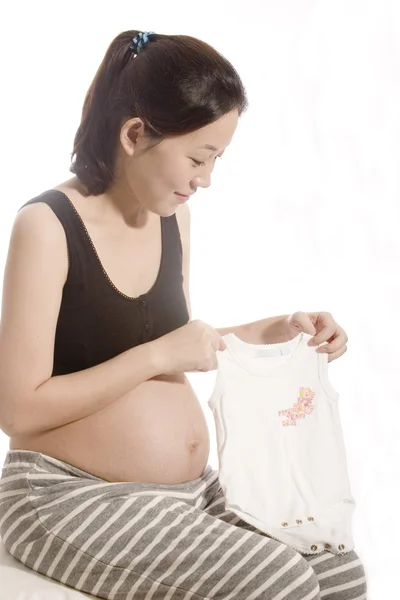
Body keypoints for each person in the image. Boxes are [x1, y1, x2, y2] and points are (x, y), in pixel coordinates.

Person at [0, 30, 367, 599]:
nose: (207, 179)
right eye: (198, 157)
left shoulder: (171, 218)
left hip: (187, 493)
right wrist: (160, 354)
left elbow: (175, 345)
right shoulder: (47, 227)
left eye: (217, 159)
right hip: (65, 495)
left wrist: (281, 327)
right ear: (134, 134)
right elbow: (17, 409)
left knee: (339, 571)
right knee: (282, 584)